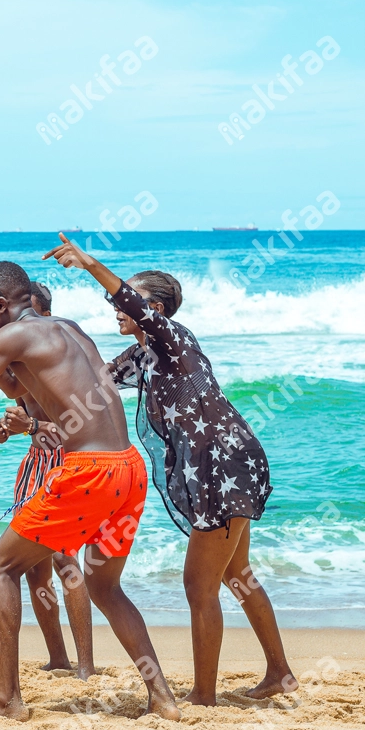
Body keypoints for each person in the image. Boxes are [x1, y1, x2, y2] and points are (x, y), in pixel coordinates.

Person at [43, 233, 296, 705]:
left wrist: (88, 262)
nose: (113, 306)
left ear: (154, 308)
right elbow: (88, 385)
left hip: (223, 465)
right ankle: (279, 673)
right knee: (236, 573)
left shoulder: (171, 337)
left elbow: (124, 299)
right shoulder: (142, 355)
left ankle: (203, 695)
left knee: (198, 586)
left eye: (125, 300)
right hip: (223, 464)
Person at [0, 262, 180, 722]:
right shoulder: (66, 329)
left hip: (89, 470)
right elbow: (22, 385)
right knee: (106, 587)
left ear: (3, 304)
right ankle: (161, 697)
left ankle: (6, 699)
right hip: (128, 468)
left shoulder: (17, 336)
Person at [0, 282, 95, 680]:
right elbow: (18, 393)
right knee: (35, 568)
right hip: (35, 461)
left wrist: (32, 424)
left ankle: (85, 666)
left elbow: (80, 425)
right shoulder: (22, 353)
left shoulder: (57, 351)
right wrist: (15, 428)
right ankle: (59, 659)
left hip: (67, 461)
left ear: (40, 313)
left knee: (66, 560)